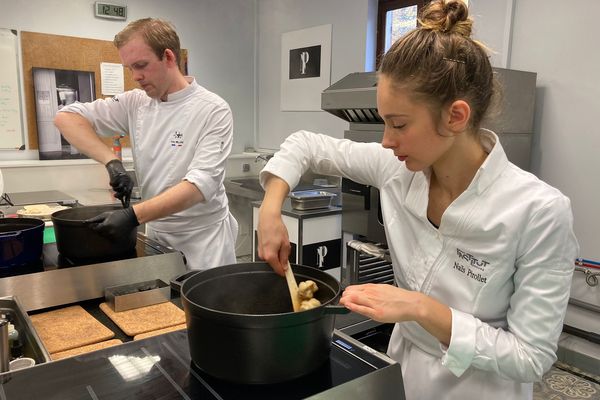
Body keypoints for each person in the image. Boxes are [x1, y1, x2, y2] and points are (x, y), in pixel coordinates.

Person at [256, 1, 578, 399]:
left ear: (455, 117)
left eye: (399, 124)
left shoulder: (538, 211)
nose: (387, 141)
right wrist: (271, 210)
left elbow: (531, 357)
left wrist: (421, 308)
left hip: (478, 388)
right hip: (402, 373)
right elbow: (304, 145)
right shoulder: (398, 171)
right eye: (383, 121)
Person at [54, 18, 238, 270]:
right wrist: (112, 163)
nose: (135, 77)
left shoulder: (212, 110)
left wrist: (132, 216)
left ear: (169, 57)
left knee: (204, 307)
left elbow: (199, 186)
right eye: (130, 68)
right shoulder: (136, 103)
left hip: (203, 241)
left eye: (141, 65)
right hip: (156, 233)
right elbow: (65, 118)